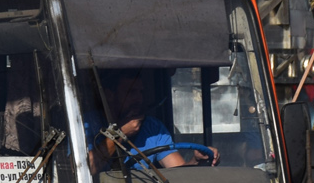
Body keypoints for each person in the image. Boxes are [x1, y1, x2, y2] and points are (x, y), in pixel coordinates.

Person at [87, 69, 217, 173]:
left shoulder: (152, 128)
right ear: (109, 95)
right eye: (131, 92)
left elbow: (179, 172)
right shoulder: (88, 124)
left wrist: (197, 160)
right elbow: (87, 168)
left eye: (141, 92)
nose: (138, 98)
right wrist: (120, 134)